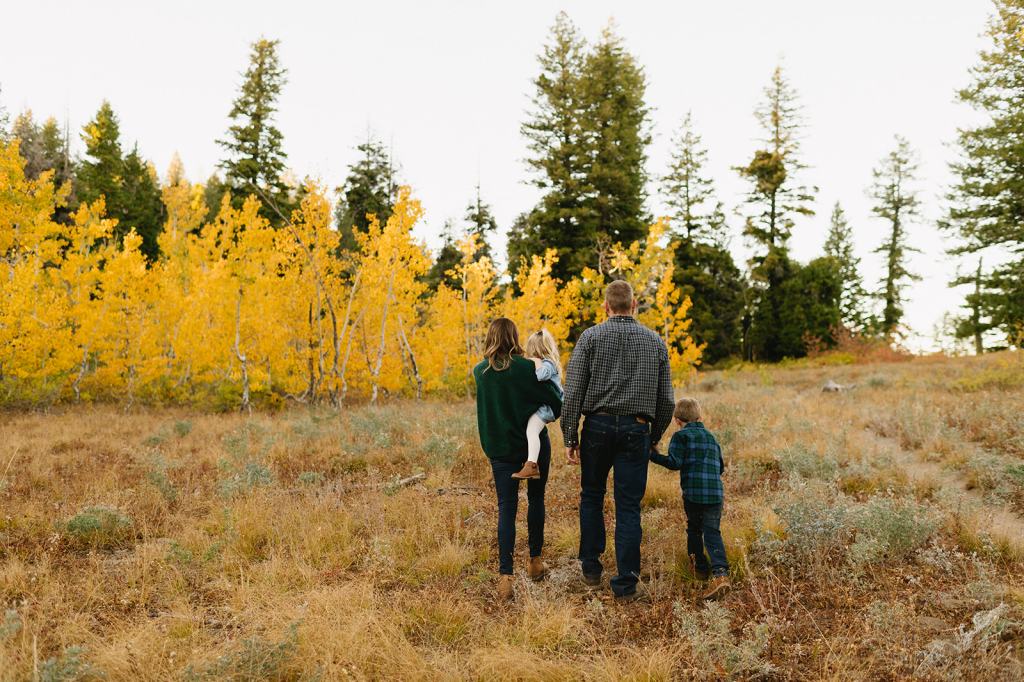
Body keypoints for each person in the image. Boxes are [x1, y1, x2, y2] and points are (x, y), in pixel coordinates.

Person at [562, 280, 675, 602]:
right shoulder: (655, 342)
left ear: (606, 307)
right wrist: (651, 437)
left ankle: (591, 568)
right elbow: (666, 400)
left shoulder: (590, 337)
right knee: (628, 507)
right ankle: (626, 584)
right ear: (634, 305)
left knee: (592, 496)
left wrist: (570, 435)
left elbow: (572, 394)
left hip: (596, 427)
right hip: (635, 429)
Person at [473, 318, 563, 601]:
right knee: (536, 500)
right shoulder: (526, 367)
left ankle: (505, 579)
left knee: (506, 510)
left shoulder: (480, 372)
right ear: (514, 338)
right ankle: (535, 562)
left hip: (500, 450)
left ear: (490, 337)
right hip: (532, 448)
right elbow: (555, 401)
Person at [649, 397, 731, 601]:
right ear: (699, 417)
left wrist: (652, 455)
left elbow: (675, 463)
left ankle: (700, 569)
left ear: (677, 420)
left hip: (694, 493)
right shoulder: (711, 437)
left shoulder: (681, 436)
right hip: (715, 493)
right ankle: (721, 574)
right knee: (712, 531)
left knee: (694, 529)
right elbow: (721, 467)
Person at [512, 329, 563, 480]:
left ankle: (531, 465)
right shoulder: (549, 362)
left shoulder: (547, 363)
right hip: (545, 405)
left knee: (532, 431)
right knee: (531, 430)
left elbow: (541, 376)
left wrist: (537, 362)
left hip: (548, 408)